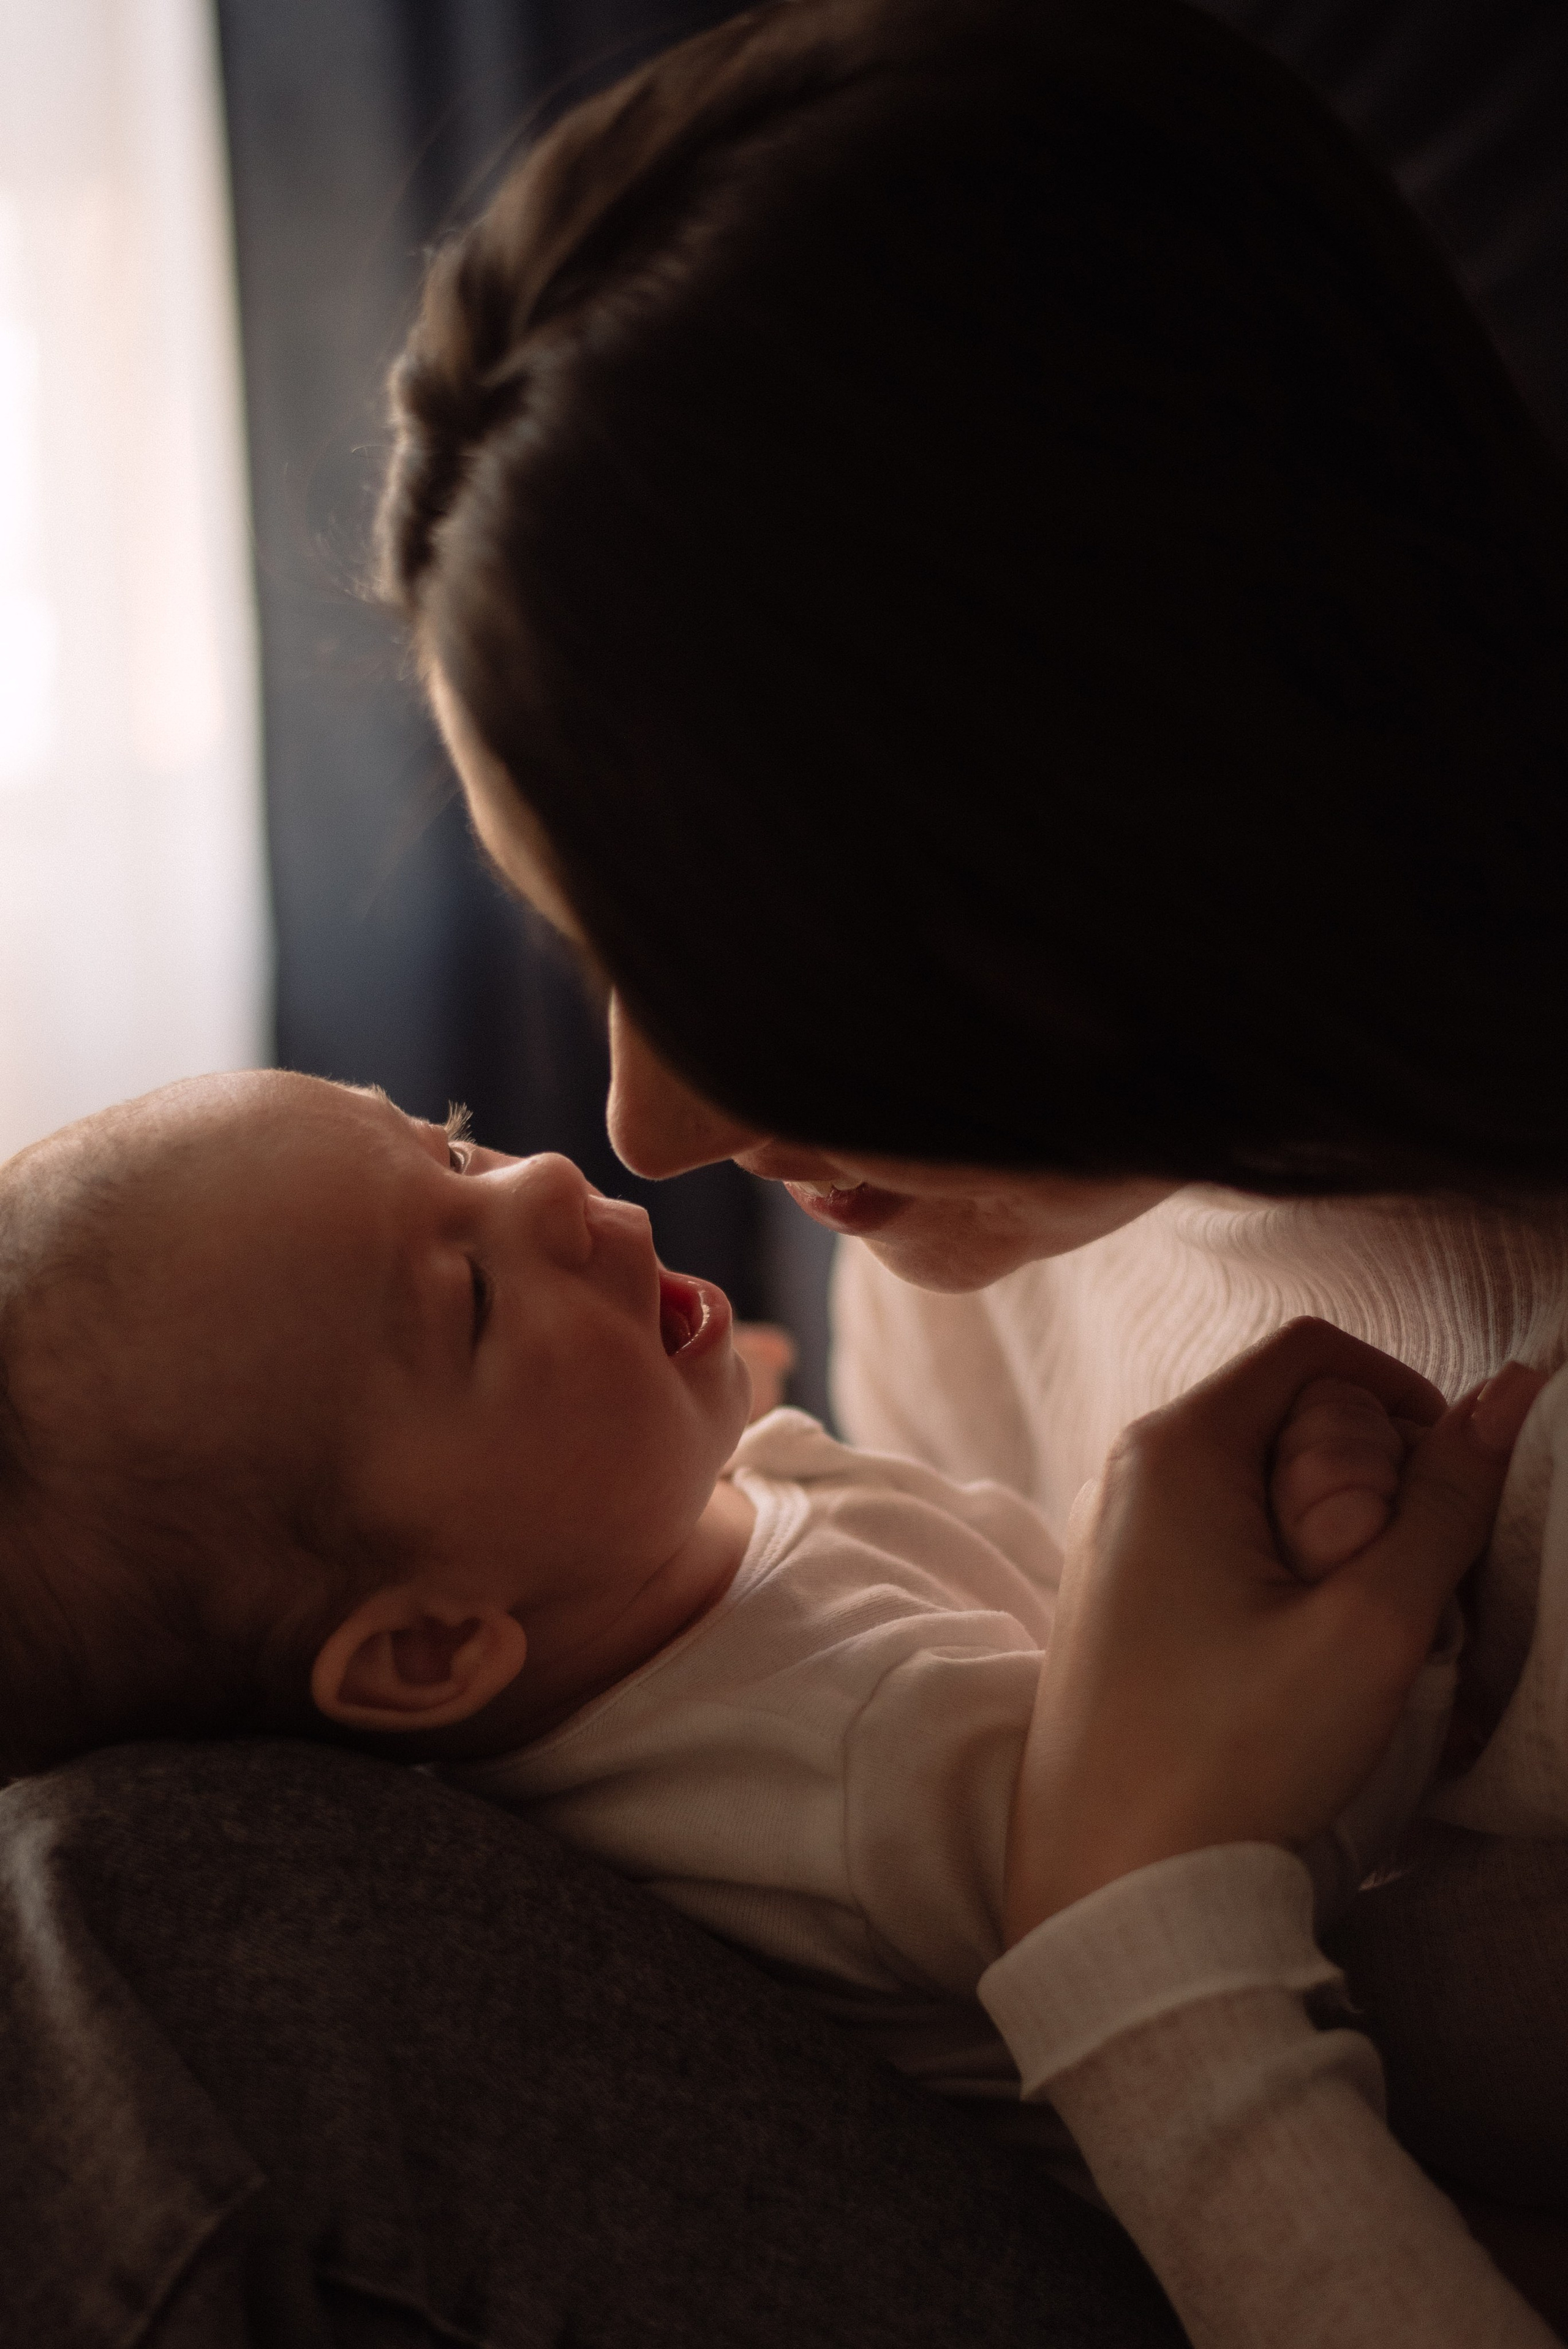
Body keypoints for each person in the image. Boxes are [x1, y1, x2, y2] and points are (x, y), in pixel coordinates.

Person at [371, 0, 1568, 2338]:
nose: (645, 1136)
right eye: (595, 954)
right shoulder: (973, 1209)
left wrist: (1143, 1929)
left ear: (1124, 793)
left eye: (731, 962)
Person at [1, 1071, 1512, 2056]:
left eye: (448, 1142)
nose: (538, 1181)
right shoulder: (856, 1768)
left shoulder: (643, 1556)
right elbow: (1224, 1877)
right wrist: (1387, 1631)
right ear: (429, 1651)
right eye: (464, 1293)